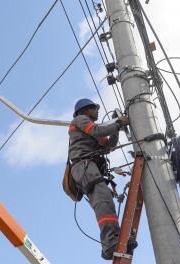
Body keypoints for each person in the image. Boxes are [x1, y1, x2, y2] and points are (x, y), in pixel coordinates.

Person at [68, 98, 136, 260]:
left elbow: (109, 146)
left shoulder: (90, 129)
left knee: (105, 202)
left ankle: (113, 239)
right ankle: (110, 244)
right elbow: (97, 131)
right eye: (94, 108)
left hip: (88, 168)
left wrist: (116, 128)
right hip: (84, 167)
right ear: (84, 110)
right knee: (103, 202)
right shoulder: (81, 120)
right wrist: (117, 123)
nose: (97, 111)